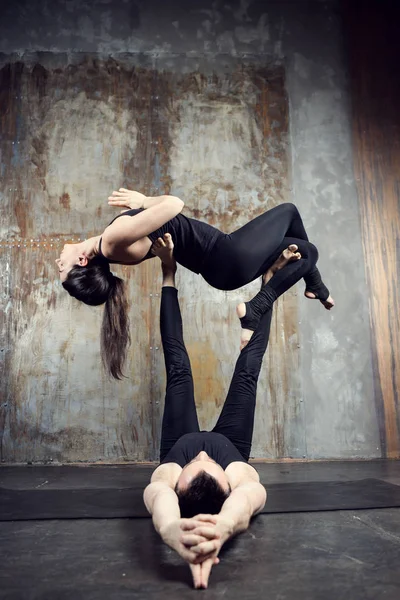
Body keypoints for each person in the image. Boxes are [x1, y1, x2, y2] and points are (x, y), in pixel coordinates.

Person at [143, 234, 298, 589]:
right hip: (232, 440)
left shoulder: (169, 474)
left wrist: (169, 529)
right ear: (226, 483)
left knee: (178, 365)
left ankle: (168, 271)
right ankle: (269, 282)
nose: (200, 454)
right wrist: (225, 526)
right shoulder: (238, 476)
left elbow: (157, 498)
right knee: (248, 369)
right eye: (206, 464)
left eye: (193, 464)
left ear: (178, 485)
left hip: (175, 437)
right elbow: (250, 499)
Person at [56, 188, 334, 378]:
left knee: (305, 252)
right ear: (82, 261)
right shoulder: (113, 239)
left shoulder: (114, 249)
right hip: (227, 254)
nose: (59, 260)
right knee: (289, 210)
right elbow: (175, 204)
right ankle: (258, 308)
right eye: (62, 267)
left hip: (221, 269)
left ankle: (315, 286)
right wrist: (143, 201)